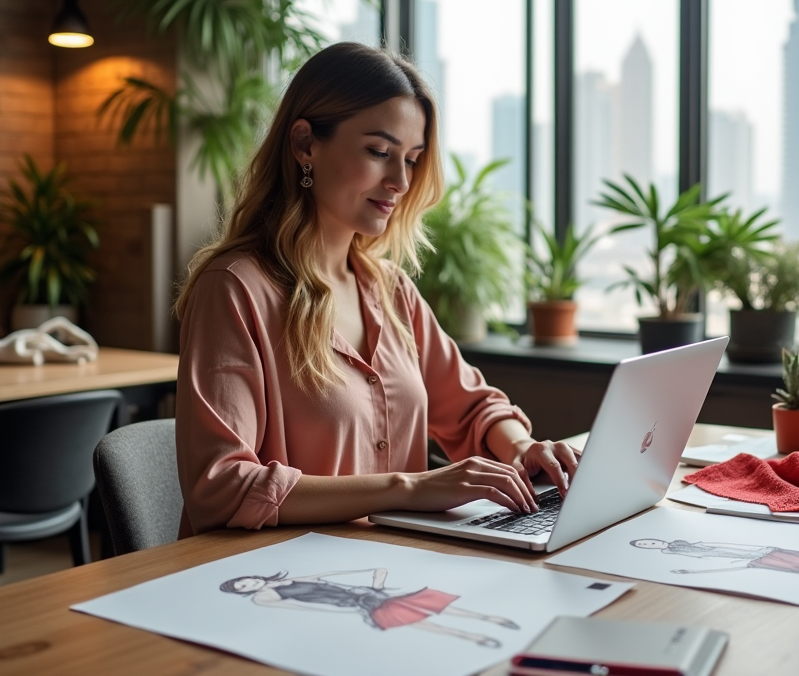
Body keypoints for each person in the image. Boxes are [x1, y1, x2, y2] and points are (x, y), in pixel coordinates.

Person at [175, 42, 578, 538]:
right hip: (270, 586)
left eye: (411, 159)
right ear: (305, 144)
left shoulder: (391, 290)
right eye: (379, 152)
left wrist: (521, 448)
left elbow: (474, 408)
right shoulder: (235, 290)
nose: (401, 182)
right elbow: (221, 487)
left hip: (391, 573)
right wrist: (409, 489)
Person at [220, 568, 517, 647]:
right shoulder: (265, 599)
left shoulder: (287, 580)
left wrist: (369, 573)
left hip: (364, 592)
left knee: (428, 603)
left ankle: (487, 617)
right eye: (242, 587)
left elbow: (326, 576)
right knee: (413, 621)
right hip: (353, 604)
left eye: (247, 580)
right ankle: (473, 638)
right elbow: (303, 610)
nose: (250, 584)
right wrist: (345, 613)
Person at [629, 538, 799, 579]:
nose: (651, 543)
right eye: (646, 545)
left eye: (648, 540)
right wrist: (692, 574)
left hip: (759, 552)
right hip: (754, 561)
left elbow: (725, 545)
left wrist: (757, 548)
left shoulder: (692, 543)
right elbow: (714, 561)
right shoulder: (676, 553)